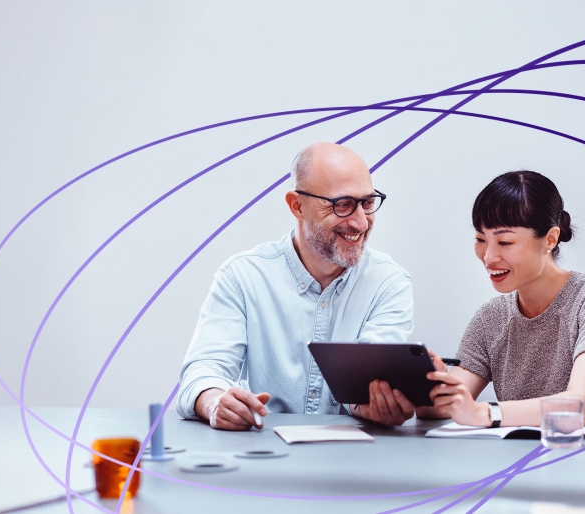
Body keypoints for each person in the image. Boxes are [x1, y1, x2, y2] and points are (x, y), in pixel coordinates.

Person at [176, 142, 420, 430]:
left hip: (354, 463)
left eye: (367, 203)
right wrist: (215, 401)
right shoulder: (242, 277)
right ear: (297, 205)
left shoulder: (389, 283)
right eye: (342, 205)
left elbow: (371, 387)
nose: (361, 222)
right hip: (264, 453)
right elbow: (204, 370)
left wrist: (377, 403)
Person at [424, 170, 585, 426]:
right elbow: (449, 406)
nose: (488, 257)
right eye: (480, 239)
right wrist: (432, 386)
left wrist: (483, 413)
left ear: (550, 240)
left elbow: (579, 407)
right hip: (537, 458)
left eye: (505, 242)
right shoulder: (490, 318)